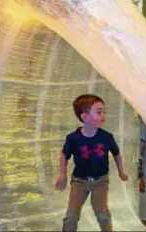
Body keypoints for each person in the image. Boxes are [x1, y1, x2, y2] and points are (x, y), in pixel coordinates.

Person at [55, 94, 129, 232]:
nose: (103, 115)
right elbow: (65, 155)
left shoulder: (106, 137)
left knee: (102, 215)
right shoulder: (73, 138)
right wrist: (62, 174)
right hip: (79, 181)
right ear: (84, 117)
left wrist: (121, 171)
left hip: (100, 181)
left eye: (104, 112)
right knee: (71, 215)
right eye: (99, 112)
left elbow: (116, 154)